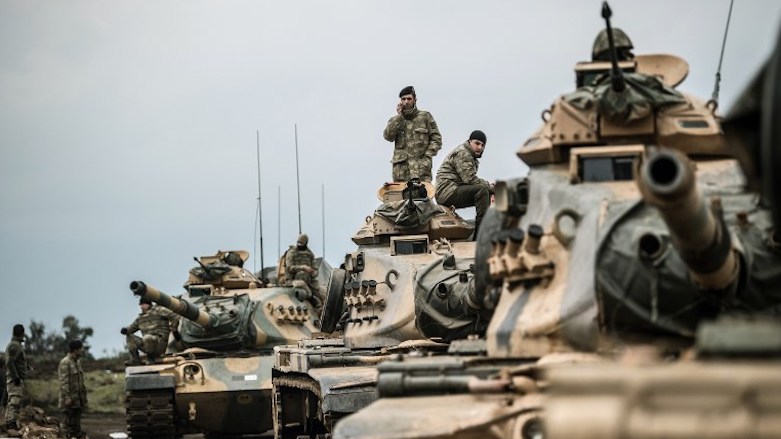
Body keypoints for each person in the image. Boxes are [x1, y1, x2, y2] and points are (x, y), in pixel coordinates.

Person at [435, 130, 493, 237]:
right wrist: (491, 186)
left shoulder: (470, 156)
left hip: (453, 189)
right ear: (470, 142)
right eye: (477, 143)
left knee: (486, 193)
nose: (480, 147)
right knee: (482, 190)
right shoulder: (463, 153)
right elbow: (470, 179)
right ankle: (480, 236)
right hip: (447, 191)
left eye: (482, 145)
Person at [382, 85, 442, 182]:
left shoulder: (425, 117)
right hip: (401, 172)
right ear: (400, 101)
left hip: (421, 170)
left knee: (423, 191)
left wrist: (427, 156)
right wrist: (399, 117)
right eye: (403, 99)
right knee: (401, 192)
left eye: (409, 99)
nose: (406, 102)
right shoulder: (395, 120)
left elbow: (437, 139)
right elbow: (388, 136)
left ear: (415, 100)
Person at [121, 298, 180, 365]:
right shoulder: (141, 318)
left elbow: (175, 316)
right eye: (141, 305)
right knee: (130, 337)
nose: (141, 306)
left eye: (143, 304)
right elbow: (132, 328)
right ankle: (135, 359)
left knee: (147, 337)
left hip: (160, 342)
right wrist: (126, 330)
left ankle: (151, 357)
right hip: (147, 343)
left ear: (148, 304)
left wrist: (173, 329)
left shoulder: (159, 311)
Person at [58, 339, 87, 439]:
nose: (82, 350)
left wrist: (83, 397)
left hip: (77, 401)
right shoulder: (65, 362)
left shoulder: (77, 362)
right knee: (67, 426)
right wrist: (67, 397)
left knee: (76, 427)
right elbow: (64, 382)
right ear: (75, 350)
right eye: (81, 348)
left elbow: (80, 381)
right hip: (69, 402)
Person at [284, 233, 322, 305]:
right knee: (301, 281)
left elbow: (315, 270)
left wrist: (312, 272)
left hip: (309, 281)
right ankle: (311, 298)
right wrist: (303, 268)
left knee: (323, 292)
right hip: (293, 280)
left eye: (301, 243)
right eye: (298, 242)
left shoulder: (310, 254)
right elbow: (289, 268)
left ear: (305, 243)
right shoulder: (291, 252)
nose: (299, 244)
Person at [4, 324, 28, 433]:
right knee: (14, 401)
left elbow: (15, 361)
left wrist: (26, 367)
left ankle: (11, 423)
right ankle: (10, 424)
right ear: (22, 333)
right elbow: (10, 362)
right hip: (15, 380)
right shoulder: (15, 345)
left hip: (14, 379)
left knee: (14, 401)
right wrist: (16, 377)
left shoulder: (15, 345)